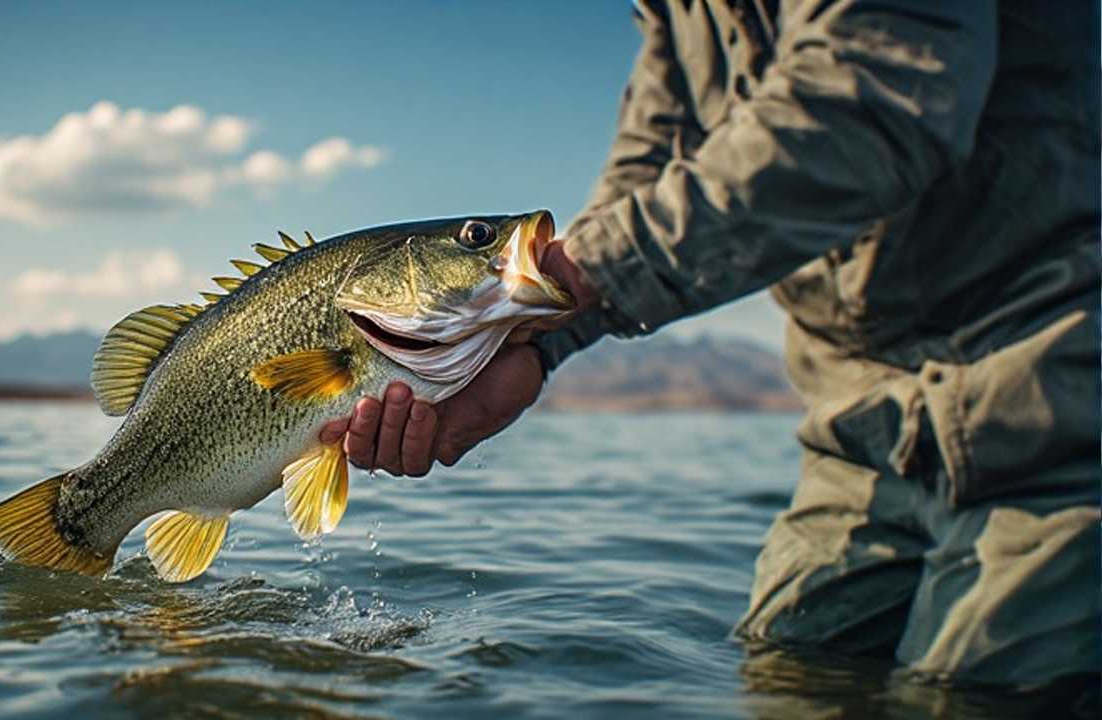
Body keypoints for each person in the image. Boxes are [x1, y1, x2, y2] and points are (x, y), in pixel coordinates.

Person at [320, 0, 1101, 688]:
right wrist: (525, 347)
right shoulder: (675, 12)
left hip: (1058, 389)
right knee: (790, 668)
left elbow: (876, 95)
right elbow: (646, 168)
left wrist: (570, 285)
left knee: (986, 692)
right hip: (857, 423)